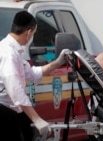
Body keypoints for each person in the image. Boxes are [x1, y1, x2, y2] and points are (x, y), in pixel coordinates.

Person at [0, 11, 69, 141]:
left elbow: (32, 73)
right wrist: (36, 119)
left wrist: (58, 62)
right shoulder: (8, 53)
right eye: (34, 33)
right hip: (4, 111)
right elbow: (16, 90)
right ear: (28, 32)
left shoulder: (14, 51)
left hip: (10, 110)